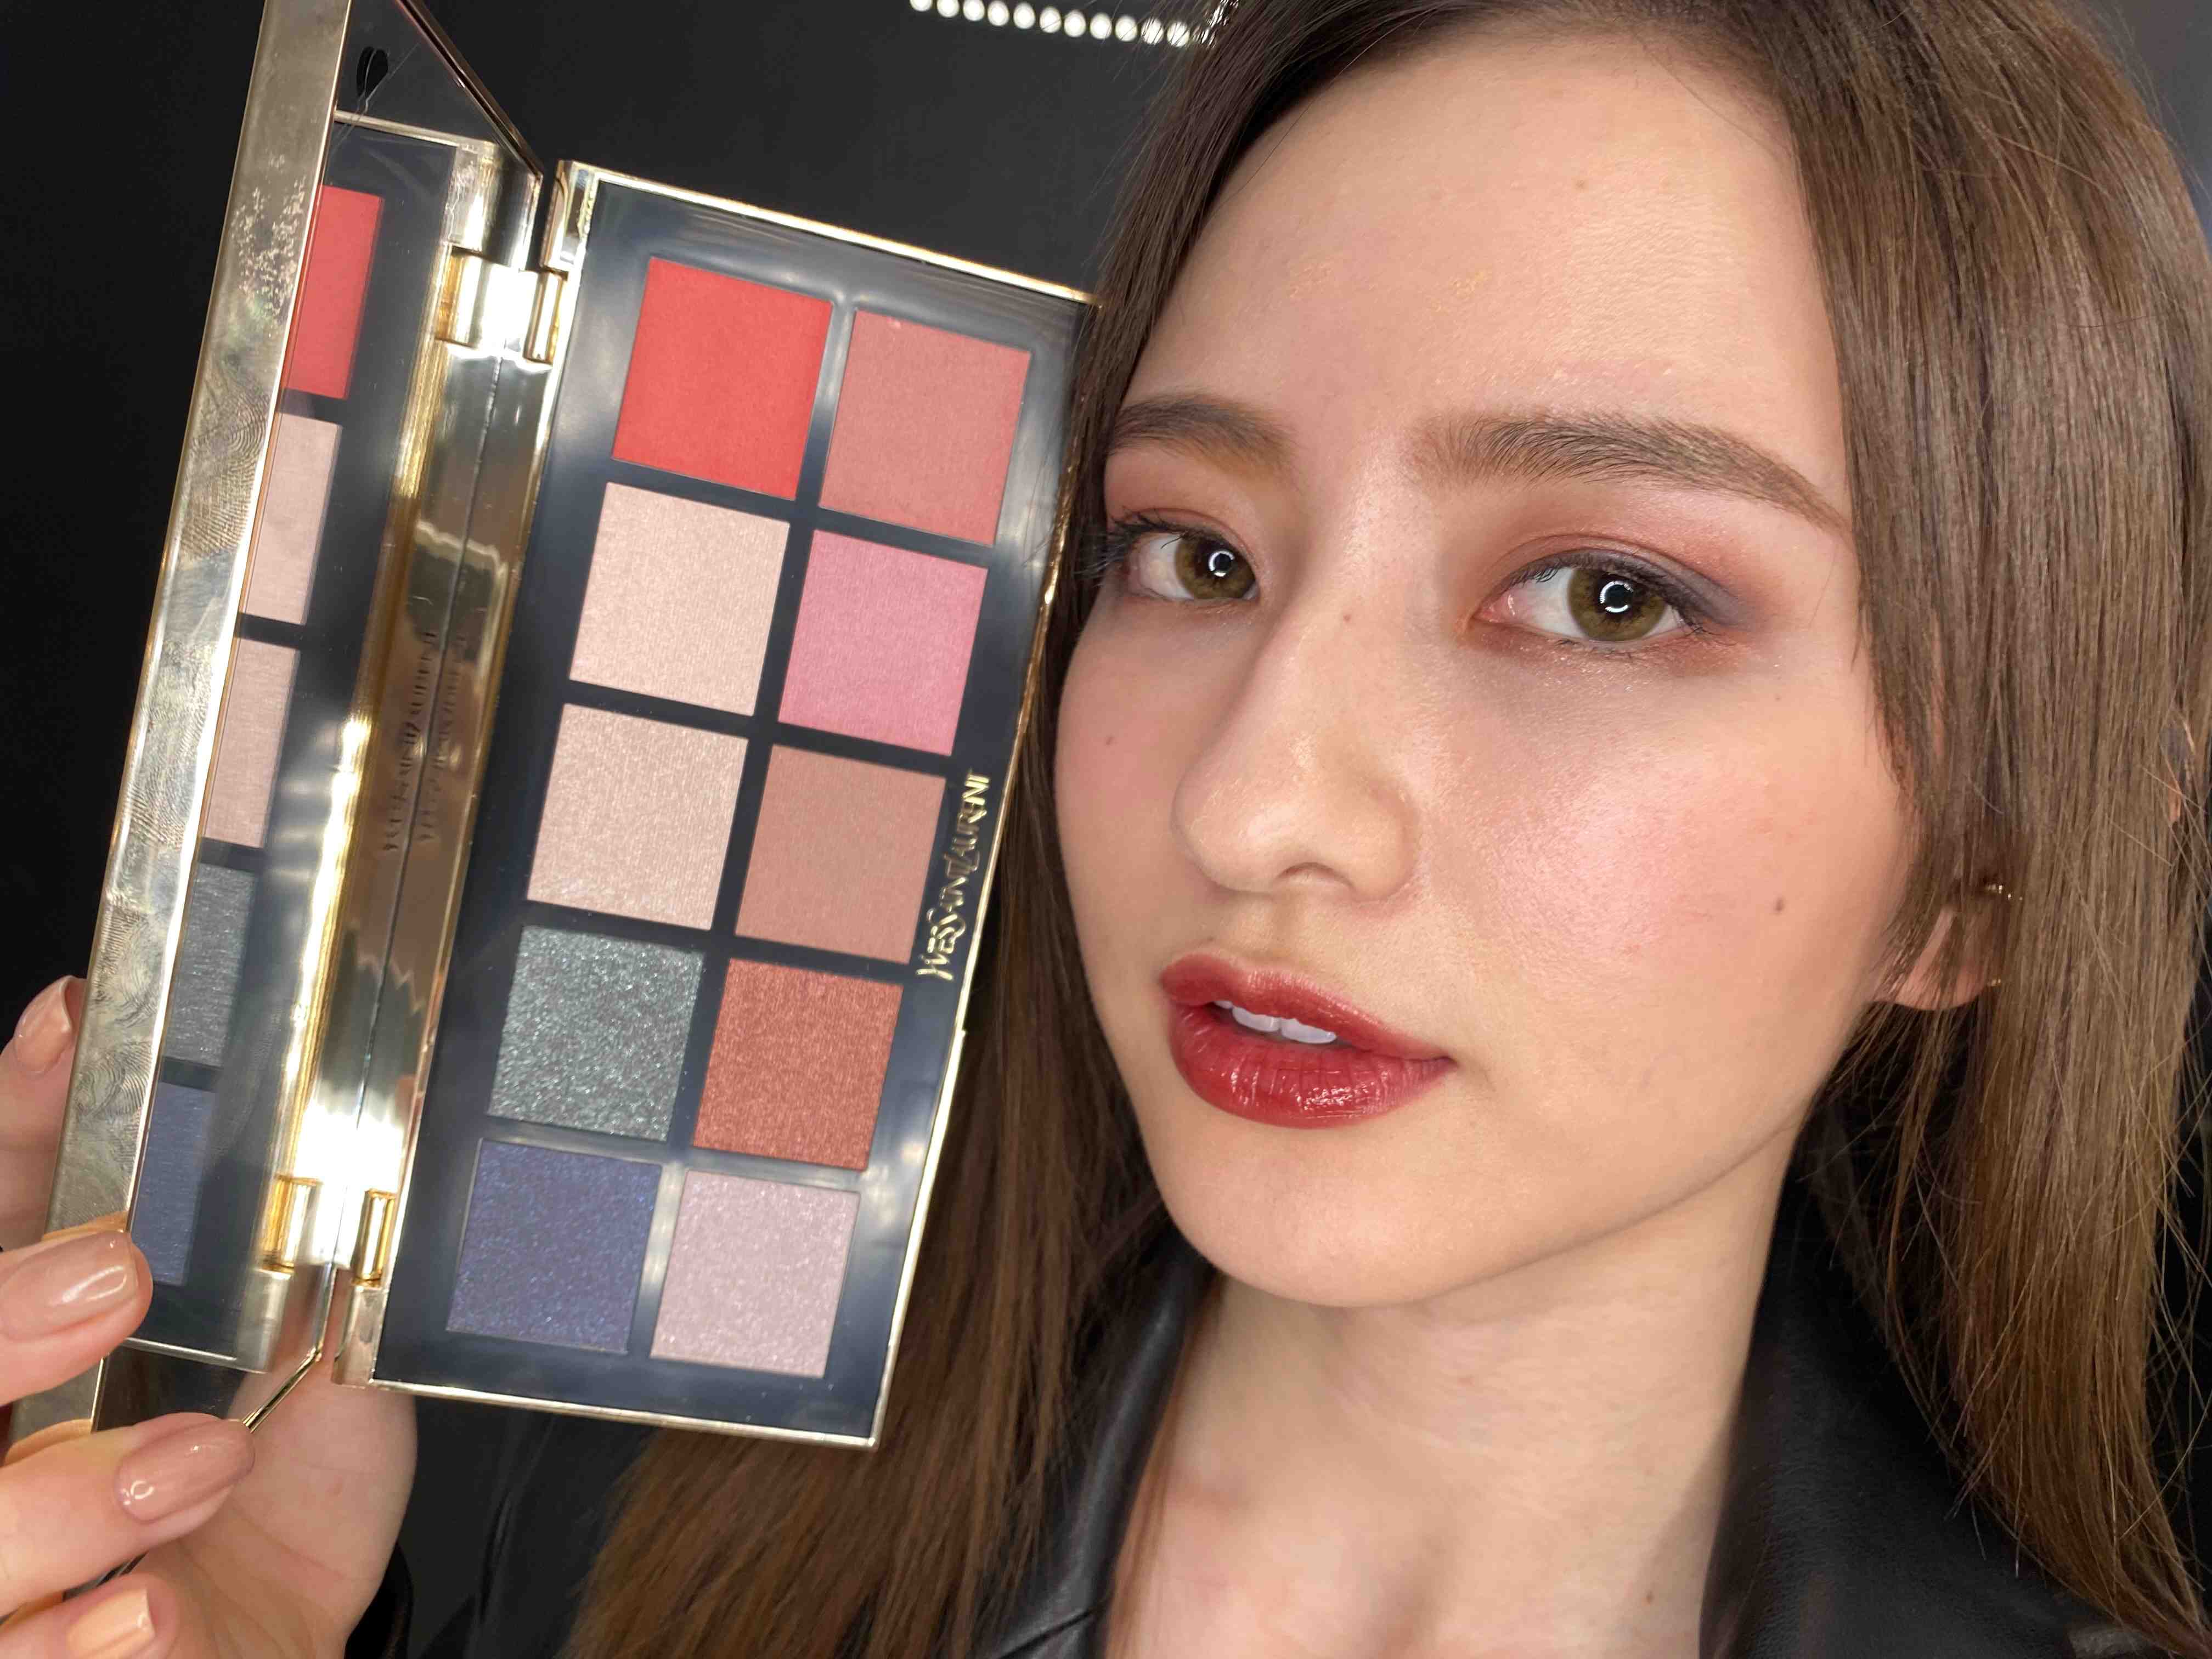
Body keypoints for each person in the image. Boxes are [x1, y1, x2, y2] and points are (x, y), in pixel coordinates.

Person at [5, 0, 2212, 1654]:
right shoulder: (579, 1521)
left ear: (1980, 871)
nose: (1251, 802)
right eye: (1194, 554)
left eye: (1607, 597)